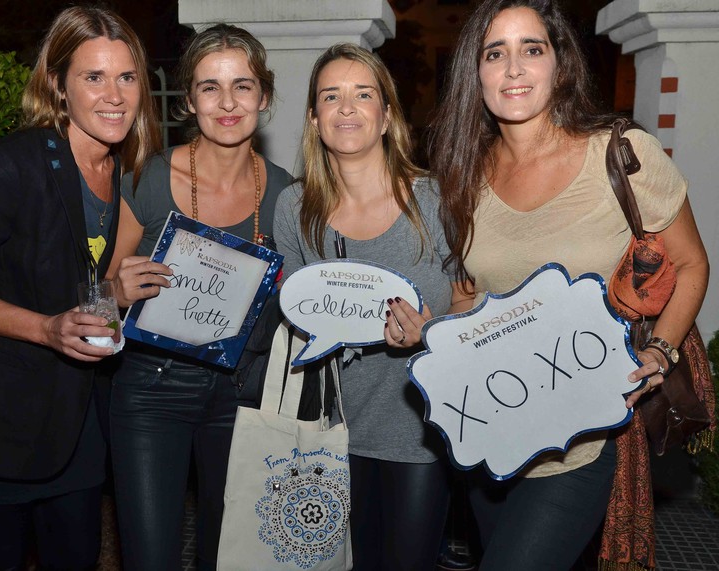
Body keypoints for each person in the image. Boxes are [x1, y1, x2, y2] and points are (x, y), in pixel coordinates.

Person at [427, 1, 709, 570]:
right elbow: (467, 297)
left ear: (560, 64)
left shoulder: (620, 153)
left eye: (531, 49)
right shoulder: (463, 174)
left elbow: (691, 264)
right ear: (475, 73)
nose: (514, 68)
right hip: (493, 436)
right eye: (494, 53)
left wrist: (661, 351)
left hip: (584, 441)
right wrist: (435, 338)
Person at [0, 5, 160, 569]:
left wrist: (115, 294)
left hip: (75, 431)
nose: (115, 95)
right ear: (57, 85)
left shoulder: (124, 172)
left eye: (127, 77)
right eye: (94, 77)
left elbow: (80, 285)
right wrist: (45, 328)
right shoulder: (10, 166)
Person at [106, 24, 293, 571]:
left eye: (243, 85)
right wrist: (115, 292)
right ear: (189, 100)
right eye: (210, 87)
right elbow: (97, 293)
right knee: (150, 556)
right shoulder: (146, 178)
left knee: (228, 557)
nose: (228, 103)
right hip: (150, 392)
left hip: (242, 395)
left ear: (263, 96)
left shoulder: (288, 193)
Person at [274, 43, 455, 571]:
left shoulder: (435, 200)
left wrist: (433, 332)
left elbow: (473, 296)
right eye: (331, 96)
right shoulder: (295, 207)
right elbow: (291, 311)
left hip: (420, 429)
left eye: (363, 94)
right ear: (314, 119)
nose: (347, 107)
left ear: (387, 116)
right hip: (330, 430)